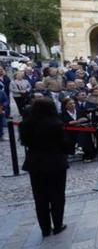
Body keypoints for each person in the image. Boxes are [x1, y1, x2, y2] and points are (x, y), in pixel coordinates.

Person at [19, 99, 68, 237]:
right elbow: (63, 144)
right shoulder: (56, 124)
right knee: (57, 195)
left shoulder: (26, 124)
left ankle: (45, 228)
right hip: (55, 161)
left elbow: (24, 142)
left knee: (40, 197)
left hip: (35, 162)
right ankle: (57, 225)